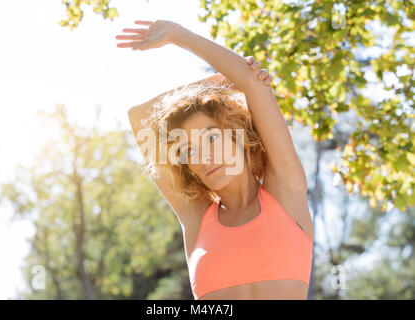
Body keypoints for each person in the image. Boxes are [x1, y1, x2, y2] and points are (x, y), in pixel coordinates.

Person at [118, 20, 314, 300]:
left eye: (211, 138)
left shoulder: (285, 192)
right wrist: (223, 80)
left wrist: (178, 35)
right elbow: (139, 117)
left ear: (239, 135)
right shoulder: (197, 220)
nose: (203, 156)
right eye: (188, 150)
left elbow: (251, 81)